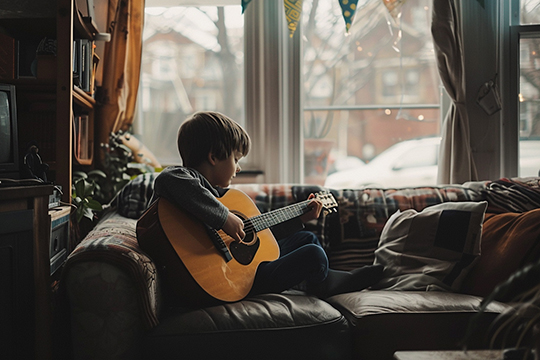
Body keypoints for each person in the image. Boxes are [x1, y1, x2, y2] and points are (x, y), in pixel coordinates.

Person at [147, 111, 383, 300]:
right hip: (231, 281)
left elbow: (261, 238)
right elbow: (168, 180)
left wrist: (300, 218)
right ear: (213, 156)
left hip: (245, 267)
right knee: (313, 254)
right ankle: (328, 283)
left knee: (307, 240)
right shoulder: (181, 178)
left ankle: (325, 282)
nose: (238, 168)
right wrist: (224, 218)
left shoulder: (221, 196)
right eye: (235, 159)